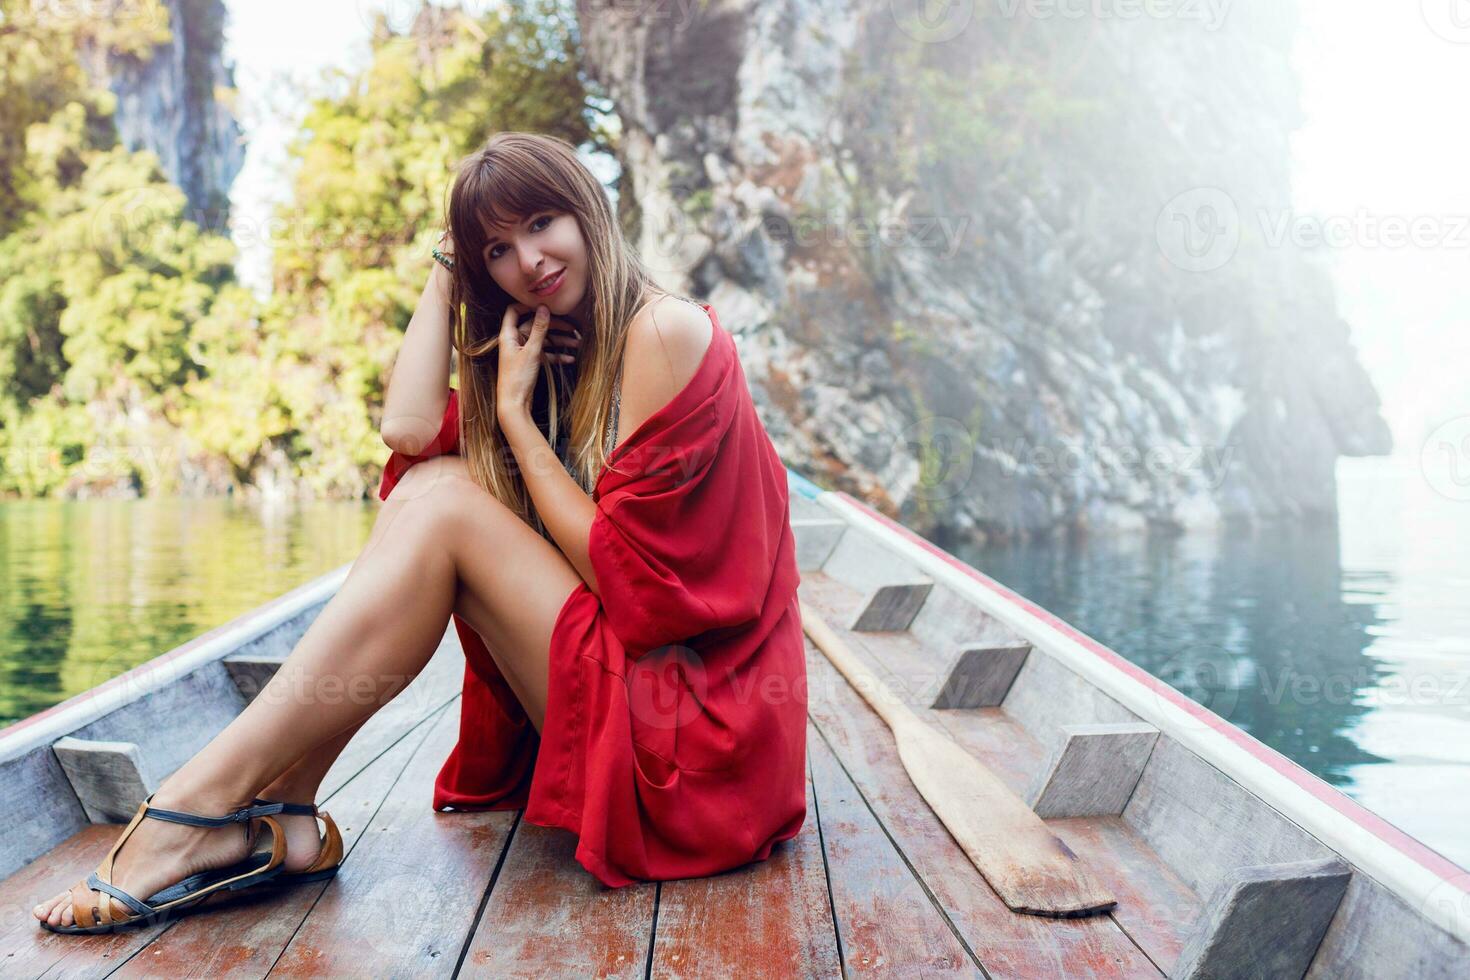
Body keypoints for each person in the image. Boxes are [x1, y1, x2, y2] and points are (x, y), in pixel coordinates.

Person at [35, 131, 807, 932]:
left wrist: (514, 420)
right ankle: (288, 808)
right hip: (656, 704)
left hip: (701, 746)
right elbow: (407, 429)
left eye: (544, 221)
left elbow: (635, 588)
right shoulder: (552, 348)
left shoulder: (662, 332)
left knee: (442, 503)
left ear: (587, 207)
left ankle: (187, 812)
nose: (531, 261)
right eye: (499, 250)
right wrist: (448, 273)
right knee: (432, 484)